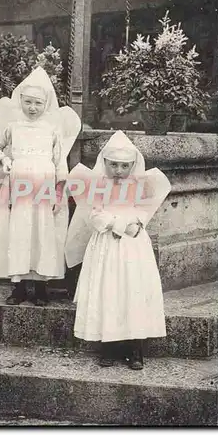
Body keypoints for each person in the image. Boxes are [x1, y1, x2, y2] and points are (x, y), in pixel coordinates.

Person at [65, 131, 171, 369]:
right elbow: (94, 215)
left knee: (132, 289)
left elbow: (143, 211)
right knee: (108, 289)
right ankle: (108, 346)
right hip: (106, 243)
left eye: (125, 166)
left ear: (132, 165)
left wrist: (135, 223)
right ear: (105, 163)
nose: (119, 170)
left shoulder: (140, 186)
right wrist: (117, 224)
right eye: (114, 165)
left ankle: (135, 349)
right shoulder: (98, 186)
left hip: (132, 245)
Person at [0, 67, 80, 306]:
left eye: (38, 103)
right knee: (18, 232)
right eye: (28, 102)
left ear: (45, 104)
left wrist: (59, 192)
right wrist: (5, 159)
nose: (32, 108)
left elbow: (60, 162)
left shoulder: (52, 130)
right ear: (21, 102)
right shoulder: (13, 127)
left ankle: (40, 287)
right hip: (18, 186)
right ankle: (18, 286)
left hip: (43, 186)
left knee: (42, 232)